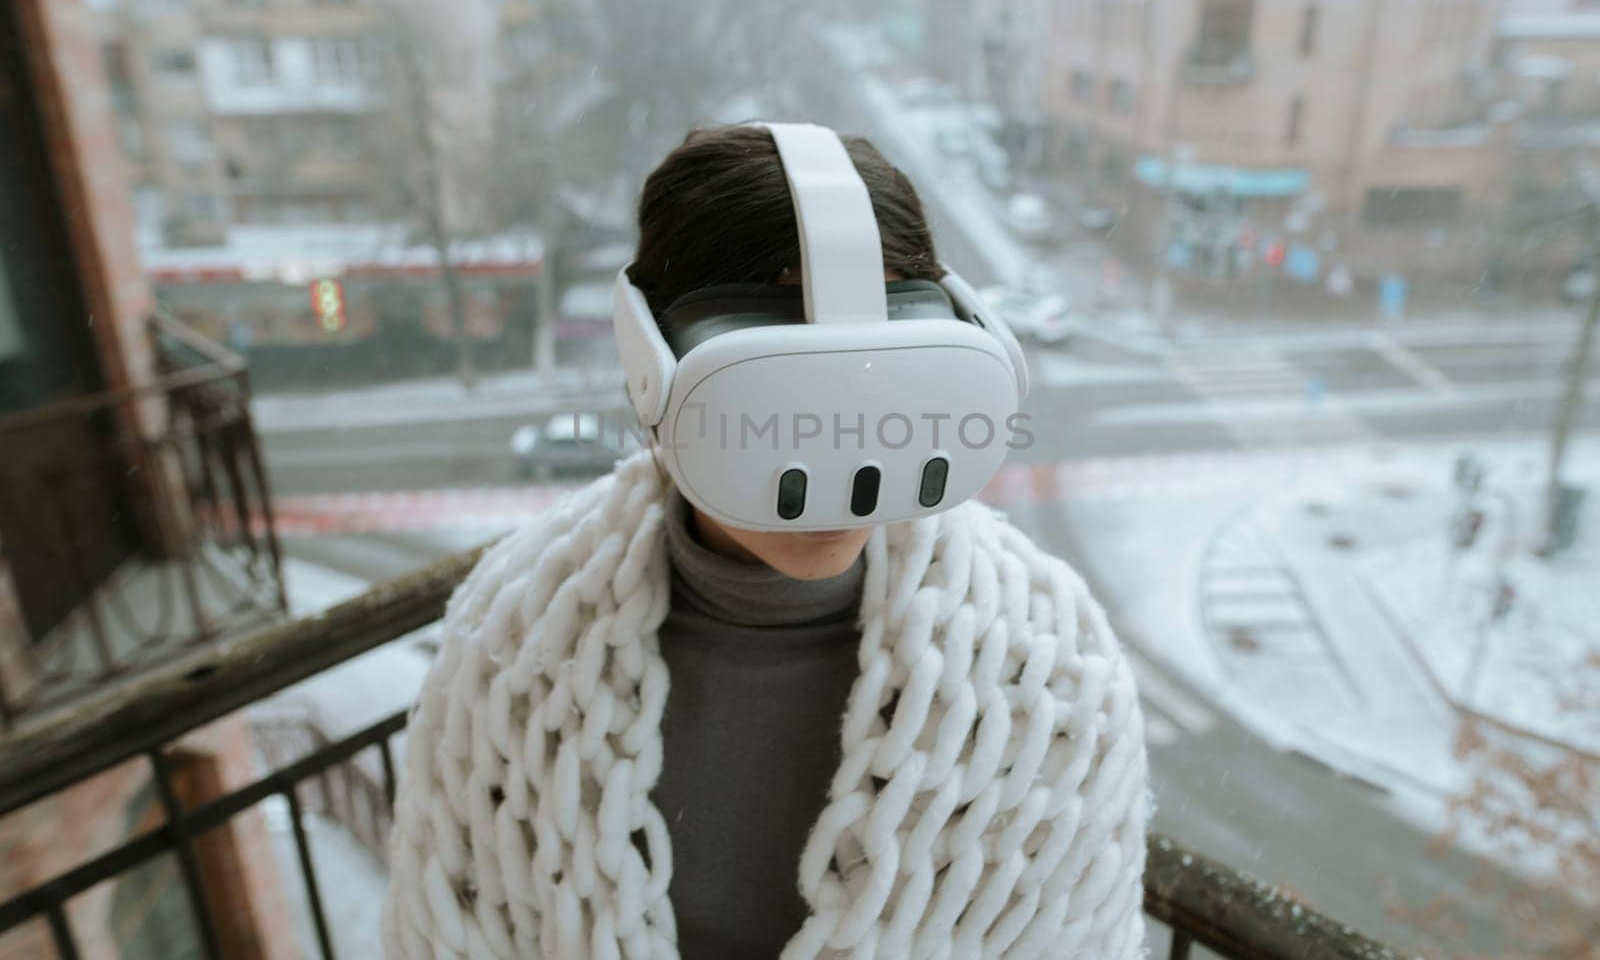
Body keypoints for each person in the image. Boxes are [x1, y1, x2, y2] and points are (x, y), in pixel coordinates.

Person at [381, 124, 1150, 959]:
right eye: (776, 399)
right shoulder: (509, 650)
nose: (841, 457)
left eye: (885, 391)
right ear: (654, 370)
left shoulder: (1054, 675)